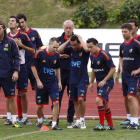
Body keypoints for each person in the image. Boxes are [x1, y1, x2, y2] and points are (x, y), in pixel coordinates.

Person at [4, 16, 35, 126]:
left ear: (17, 24)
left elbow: (33, 51)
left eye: (12, 21)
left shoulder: (23, 35)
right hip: (8, 68)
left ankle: (25, 118)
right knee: (9, 94)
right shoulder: (5, 36)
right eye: (9, 21)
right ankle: (9, 118)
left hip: (21, 67)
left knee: (23, 93)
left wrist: (21, 45)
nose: (10, 23)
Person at [16, 14, 46, 122]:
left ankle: (41, 114)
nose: (21, 24)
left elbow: (39, 48)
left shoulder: (34, 33)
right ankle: (20, 116)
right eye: (19, 23)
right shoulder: (17, 35)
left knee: (39, 89)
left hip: (34, 66)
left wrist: (39, 62)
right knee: (21, 92)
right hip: (22, 67)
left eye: (22, 22)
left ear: (26, 21)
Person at [46, 20, 75, 126]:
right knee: (56, 97)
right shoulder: (58, 39)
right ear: (63, 28)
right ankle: (55, 119)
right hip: (60, 73)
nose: (68, 30)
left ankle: (70, 119)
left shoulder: (77, 40)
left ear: (73, 28)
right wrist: (60, 55)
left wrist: (66, 54)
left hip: (73, 73)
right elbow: (51, 52)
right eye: (66, 28)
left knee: (72, 97)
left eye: (70, 28)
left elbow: (81, 52)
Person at [57, 35, 90, 129]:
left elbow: (87, 49)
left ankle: (83, 120)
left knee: (81, 99)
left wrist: (80, 38)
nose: (73, 47)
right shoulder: (71, 49)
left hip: (82, 79)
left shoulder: (83, 51)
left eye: (75, 45)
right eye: (72, 45)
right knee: (74, 101)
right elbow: (59, 50)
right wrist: (68, 42)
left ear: (79, 42)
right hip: (72, 79)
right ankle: (78, 121)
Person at [31, 37, 62, 130]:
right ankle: (39, 121)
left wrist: (59, 81)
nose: (56, 49)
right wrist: (38, 80)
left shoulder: (57, 55)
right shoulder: (39, 53)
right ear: (49, 44)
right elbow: (33, 67)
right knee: (40, 105)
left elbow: (57, 68)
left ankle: (54, 124)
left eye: (57, 47)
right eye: (54, 47)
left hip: (52, 83)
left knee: (56, 102)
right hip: (41, 84)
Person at [115, 19, 140, 126]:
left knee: (132, 97)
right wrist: (120, 70)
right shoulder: (122, 45)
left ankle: (135, 121)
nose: (123, 34)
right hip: (125, 75)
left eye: (125, 32)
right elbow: (121, 57)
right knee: (127, 98)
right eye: (122, 32)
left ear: (131, 31)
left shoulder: (137, 44)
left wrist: (138, 70)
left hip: (134, 76)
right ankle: (131, 120)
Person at [87, 38, 116, 130]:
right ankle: (110, 125)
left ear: (96, 45)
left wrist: (104, 80)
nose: (90, 49)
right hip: (99, 83)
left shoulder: (104, 54)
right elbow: (93, 70)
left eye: (91, 47)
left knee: (98, 100)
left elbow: (113, 69)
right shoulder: (92, 56)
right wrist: (91, 82)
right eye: (88, 47)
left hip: (107, 82)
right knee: (105, 103)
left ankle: (101, 124)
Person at [0, 20, 21, 128]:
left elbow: (17, 57)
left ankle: (14, 120)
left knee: (11, 97)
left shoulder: (10, 42)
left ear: (3, 28)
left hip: (7, 74)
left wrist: (16, 71)